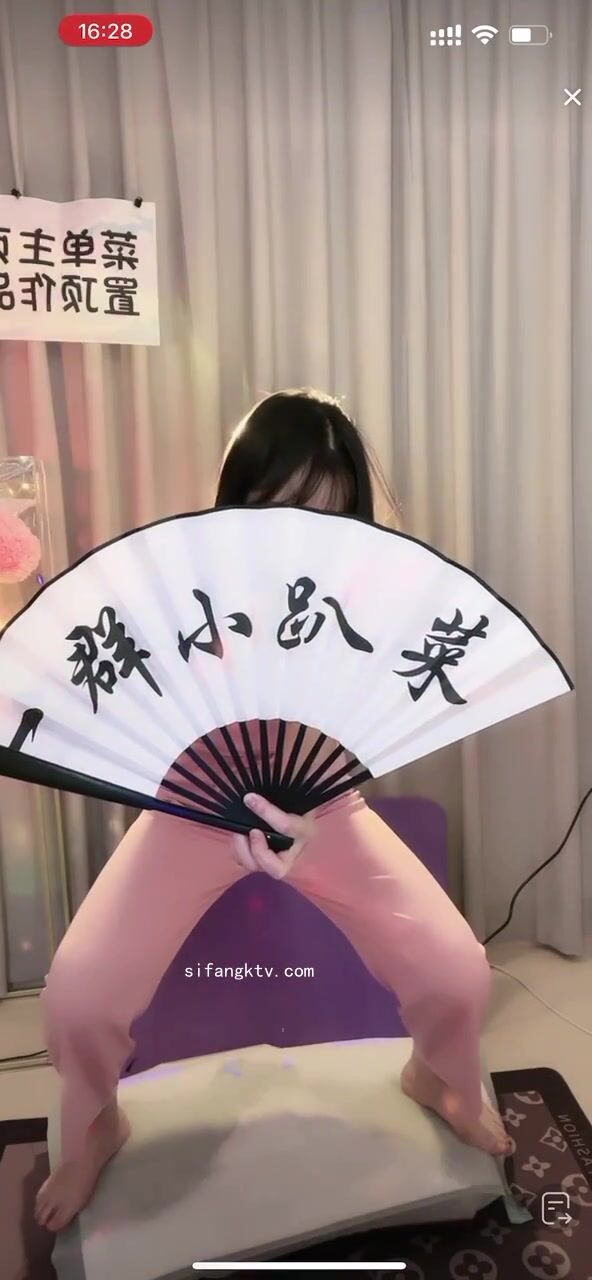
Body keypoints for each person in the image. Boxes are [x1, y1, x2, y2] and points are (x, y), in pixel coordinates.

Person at [34, 388, 511, 1234]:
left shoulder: (373, 607)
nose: (297, 534)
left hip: (323, 811)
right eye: (273, 508)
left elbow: (357, 731)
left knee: (458, 973)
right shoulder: (177, 591)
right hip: (191, 808)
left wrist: (309, 829)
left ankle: (436, 1077)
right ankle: (97, 1122)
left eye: (326, 516)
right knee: (76, 996)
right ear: (234, 505)